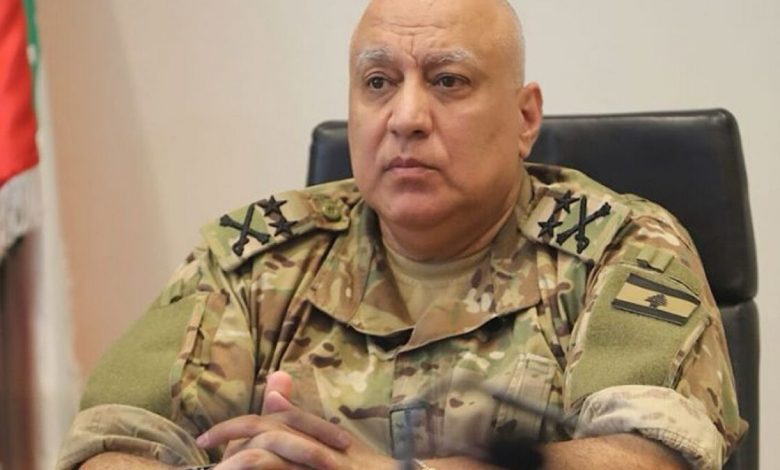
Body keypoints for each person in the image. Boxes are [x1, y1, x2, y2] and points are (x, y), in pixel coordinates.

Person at [57, 0, 747, 469]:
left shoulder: (621, 250)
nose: (406, 116)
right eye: (379, 82)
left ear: (524, 118)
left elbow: (645, 456)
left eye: (448, 81)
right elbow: (115, 440)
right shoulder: (253, 260)